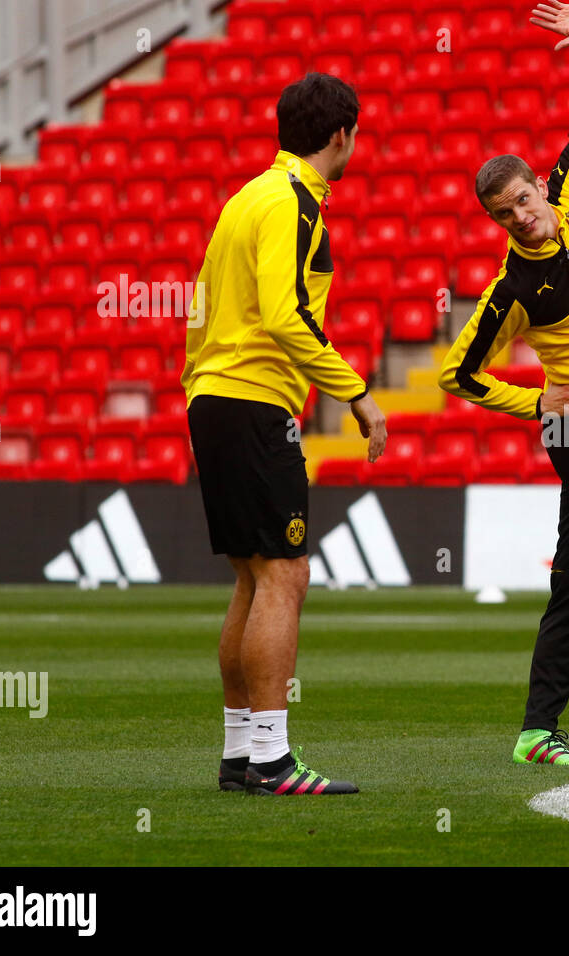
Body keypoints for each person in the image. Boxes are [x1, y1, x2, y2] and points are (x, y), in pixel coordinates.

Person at [183, 72, 387, 795]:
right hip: (254, 400)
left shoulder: (244, 198)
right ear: (342, 134)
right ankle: (271, 759)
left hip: (217, 396)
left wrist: (196, 390)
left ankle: (242, 754)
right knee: (285, 574)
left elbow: (201, 309)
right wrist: (356, 393)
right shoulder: (293, 201)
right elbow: (282, 313)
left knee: (252, 576)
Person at [439, 1, 569, 765]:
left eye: (522, 200)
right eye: (501, 214)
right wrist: (537, 403)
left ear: (538, 189)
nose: (518, 217)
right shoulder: (511, 291)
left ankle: (537, 731)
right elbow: (458, 374)